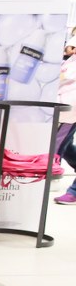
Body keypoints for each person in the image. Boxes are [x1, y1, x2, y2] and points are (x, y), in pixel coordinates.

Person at [57, 40, 76, 204]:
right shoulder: (70, 60)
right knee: (66, 146)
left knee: (57, 147)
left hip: (71, 110)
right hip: (65, 107)